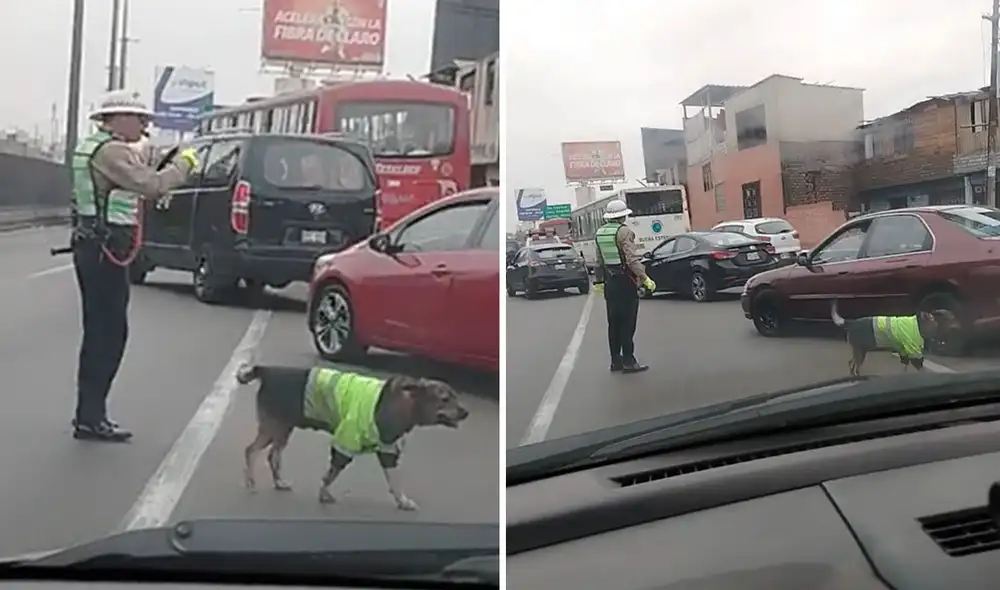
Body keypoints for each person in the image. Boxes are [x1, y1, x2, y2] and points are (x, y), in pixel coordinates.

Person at [70, 90, 200, 442]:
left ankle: (90, 415)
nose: (144, 126)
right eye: (139, 118)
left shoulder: (95, 147)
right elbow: (152, 186)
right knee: (108, 335)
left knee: (101, 332)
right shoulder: (113, 152)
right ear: (118, 118)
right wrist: (185, 164)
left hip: (95, 247)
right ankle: (90, 418)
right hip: (106, 250)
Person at [592, 199, 657, 373]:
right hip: (625, 282)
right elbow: (632, 260)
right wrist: (645, 278)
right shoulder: (624, 232)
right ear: (623, 216)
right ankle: (629, 360)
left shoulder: (600, 233)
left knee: (614, 323)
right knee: (628, 323)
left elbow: (598, 261)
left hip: (610, 282)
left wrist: (599, 282)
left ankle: (616, 361)